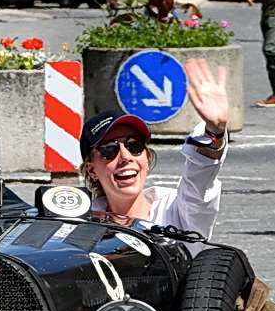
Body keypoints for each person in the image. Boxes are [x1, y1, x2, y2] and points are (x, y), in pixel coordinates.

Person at [80, 57, 229, 244]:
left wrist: (215, 131)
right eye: (109, 150)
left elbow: (200, 177)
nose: (125, 157)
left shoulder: (177, 211)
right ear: (91, 170)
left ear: (146, 158)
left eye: (134, 146)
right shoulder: (80, 224)